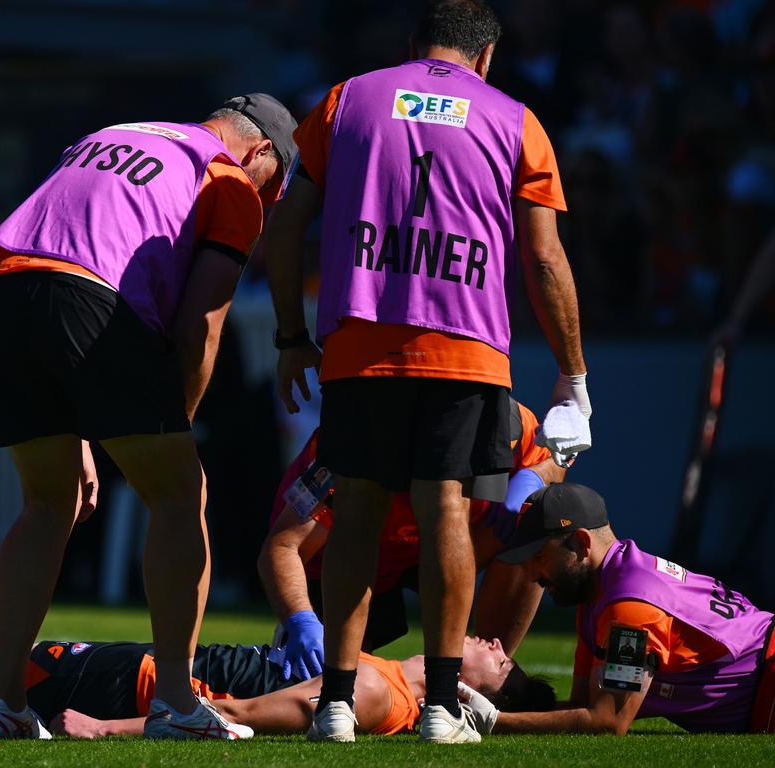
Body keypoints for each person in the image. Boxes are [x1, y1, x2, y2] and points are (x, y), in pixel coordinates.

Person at [263, 0, 589, 743]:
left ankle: (337, 705)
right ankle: (442, 707)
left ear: (414, 46)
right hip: (466, 347)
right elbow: (542, 258)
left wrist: (289, 335)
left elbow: (286, 228)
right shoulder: (515, 119)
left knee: (358, 511)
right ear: (486, 57)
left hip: (359, 343)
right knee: (446, 507)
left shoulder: (347, 98)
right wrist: (572, 374)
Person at [0, 94, 297, 740]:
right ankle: (176, 703)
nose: (265, 208)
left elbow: (59, 239)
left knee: (48, 502)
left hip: (1, 286)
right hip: (90, 294)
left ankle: (3, 703)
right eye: (274, 191)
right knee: (182, 493)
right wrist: (176, 428)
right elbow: (201, 324)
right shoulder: (229, 178)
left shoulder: (118, 130)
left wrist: (86, 421)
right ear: (261, 153)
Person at [259, 397, 565, 678]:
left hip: (438, 549)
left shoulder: (516, 425)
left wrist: (533, 478)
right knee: (327, 682)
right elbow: (282, 546)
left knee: (531, 527)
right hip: (345, 562)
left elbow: (556, 457)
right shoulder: (351, 449)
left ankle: (480, 679)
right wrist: (302, 621)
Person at [0, 635, 553, 738]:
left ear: (482, 696)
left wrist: (109, 731)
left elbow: (234, 715)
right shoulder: (383, 673)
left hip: (128, 683)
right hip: (140, 671)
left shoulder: (387, 697)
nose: (490, 642)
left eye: (501, 662)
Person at [460, 483, 775, 736]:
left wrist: (494, 721)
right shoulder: (599, 593)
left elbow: (607, 721)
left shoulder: (629, 607)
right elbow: (583, 705)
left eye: (539, 556)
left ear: (582, 544)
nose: (532, 574)